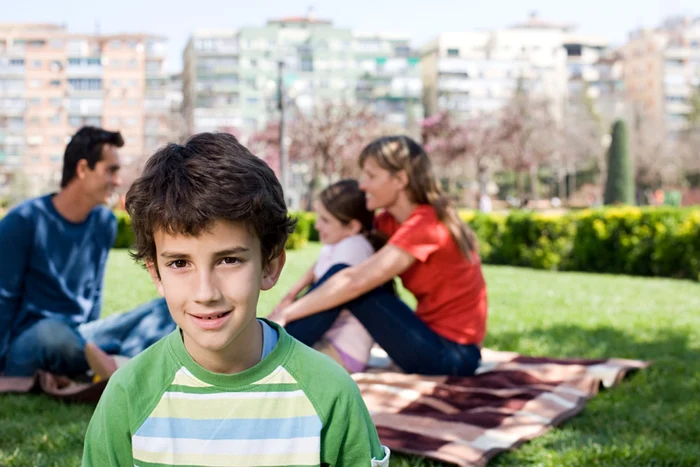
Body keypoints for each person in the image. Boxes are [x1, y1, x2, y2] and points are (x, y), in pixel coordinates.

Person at [82, 133, 390, 467]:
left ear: (269, 266)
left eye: (229, 260)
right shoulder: (128, 396)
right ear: (156, 274)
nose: (206, 293)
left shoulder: (331, 394)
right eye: (180, 263)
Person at [274, 135, 488, 376]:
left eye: (371, 176)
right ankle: (273, 349)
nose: (363, 185)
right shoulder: (389, 222)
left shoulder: (426, 225)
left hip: (453, 355)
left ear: (400, 179)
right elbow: (343, 251)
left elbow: (353, 281)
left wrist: (288, 313)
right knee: (346, 277)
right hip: (427, 339)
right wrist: (291, 295)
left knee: (354, 287)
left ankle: (271, 354)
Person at [0, 127, 122, 377]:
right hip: (31, 340)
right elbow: (4, 298)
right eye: (111, 170)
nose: (118, 181)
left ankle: (104, 360)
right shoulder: (22, 221)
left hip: (83, 335)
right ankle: (115, 361)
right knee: (53, 333)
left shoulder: (104, 222)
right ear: (82, 169)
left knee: (162, 311)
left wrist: (90, 334)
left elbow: (95, 292)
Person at [272, 179, 381, 373]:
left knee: (271, 361)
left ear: (352, 227)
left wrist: (285, 313)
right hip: (328, 340)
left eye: (325, 220)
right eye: (318, 216)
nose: (317, 225)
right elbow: (316, 269)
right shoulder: (338, 244)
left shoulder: (354, 247)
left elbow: (327, 288)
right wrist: (290, 295)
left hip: (342, 352)